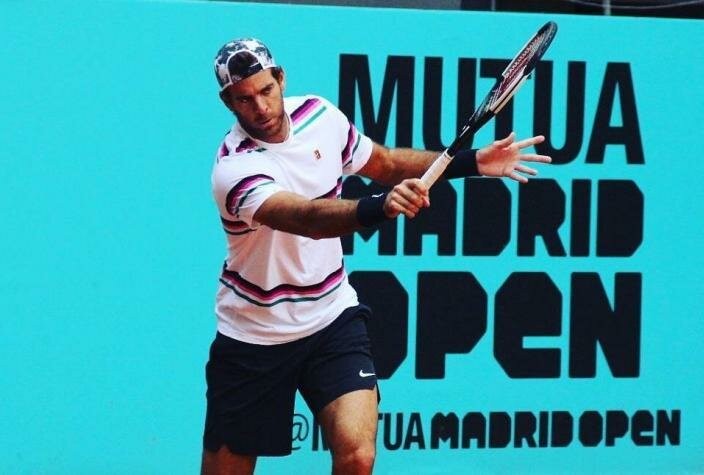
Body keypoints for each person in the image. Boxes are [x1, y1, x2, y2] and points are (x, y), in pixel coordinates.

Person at [203, 37, 551, 475]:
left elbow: (384, 163)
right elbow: (307, 218)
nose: (260, 107)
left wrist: (472, 163)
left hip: (331, 319)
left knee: (358, 454)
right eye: (244, 99)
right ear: (228, 103)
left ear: (281, 79)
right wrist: (380, 206)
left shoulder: (319, 115)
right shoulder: (235, 169)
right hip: (255, 337)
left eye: (265, 90)